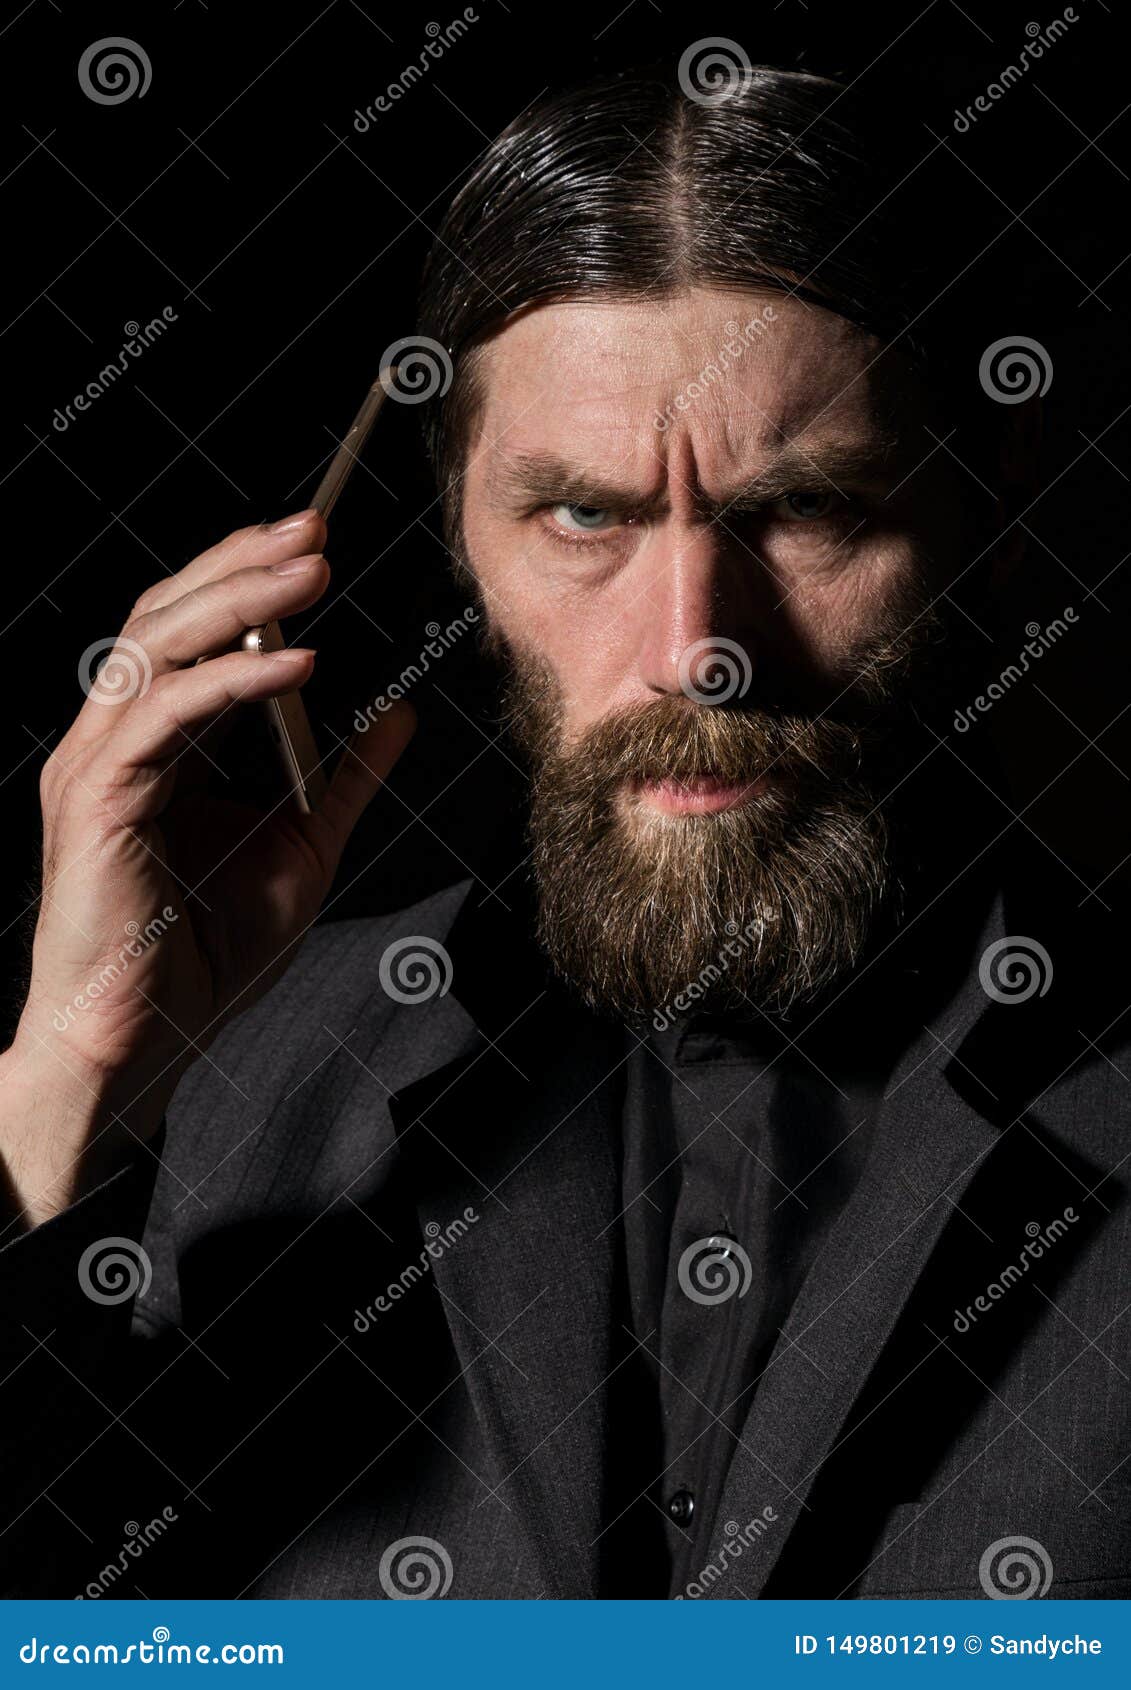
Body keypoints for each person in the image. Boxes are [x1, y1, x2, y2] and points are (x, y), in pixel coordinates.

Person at [1, 62, 1126, 1602]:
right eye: (585, 517)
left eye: (802, 511)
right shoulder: (241, 1095)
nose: (698, 649)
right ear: (458, 536)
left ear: (988, 507)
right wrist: (62, 1091)